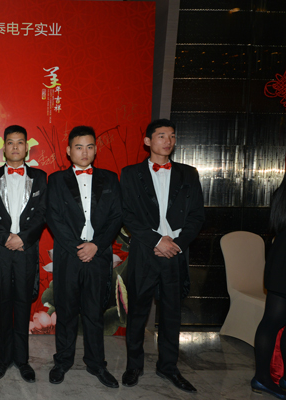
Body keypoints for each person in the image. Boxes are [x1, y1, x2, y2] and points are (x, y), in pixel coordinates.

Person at [120, 118, 204, 393]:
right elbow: (127, 215)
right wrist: (157, 240)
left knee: (171, 315)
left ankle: (169, 367)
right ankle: (134, 366)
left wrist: (176, 244)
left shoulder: (189, 174)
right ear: (147, 141)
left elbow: (197, 216)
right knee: (137, 313)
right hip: (145, 252)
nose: (168, 141)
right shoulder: (130, 174)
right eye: (161, 136)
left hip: (175, 254)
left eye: (172, 136)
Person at [47, 126, 122, 387]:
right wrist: (79, 247)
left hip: (98, 256)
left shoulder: (110, 178)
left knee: (94, 312)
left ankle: (96, 364)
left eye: (90, 146)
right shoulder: (56, 180)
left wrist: (96, 246)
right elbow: (53, 218)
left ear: (95, 149)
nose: (84, 152)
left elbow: (116, 216)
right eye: (79, 147)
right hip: (69, 256)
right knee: (66, 311)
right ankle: (62, 362)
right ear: (69, 151)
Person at [0, 125, 47, 383]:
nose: (16, 147)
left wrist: (23, 238)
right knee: (3, 304)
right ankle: (3, 359)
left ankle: (22, 360)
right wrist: (6, 238)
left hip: (26, 249)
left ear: (27, 147)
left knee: (22, 304)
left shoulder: (40, 177)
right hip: (0, 249)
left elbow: (42, 214)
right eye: (10, 142)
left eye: (20, 142)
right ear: (4, 146)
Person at [251, 176, 286, 399]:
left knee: (274, 321)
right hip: (283, 259)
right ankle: (262, 378)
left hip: (280, 255)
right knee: (273, 321)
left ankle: (269, 377)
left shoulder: (281, 193)